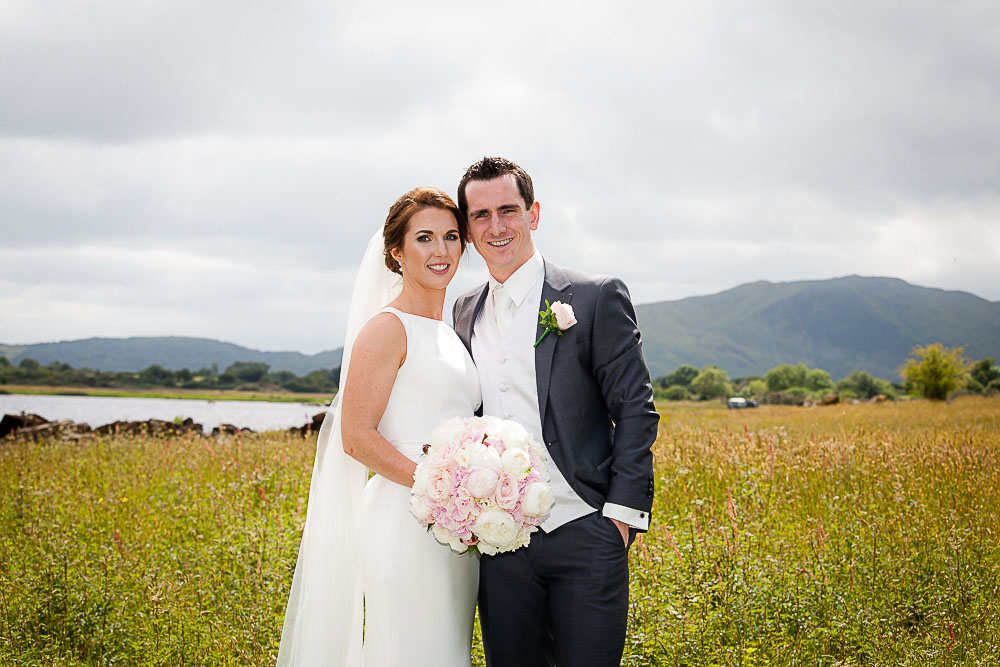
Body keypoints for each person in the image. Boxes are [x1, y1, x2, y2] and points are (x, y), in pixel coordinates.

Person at [452, 157, 659, 667]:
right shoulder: (462, 310)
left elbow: (635, 407)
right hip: (500, 543)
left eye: (508, 210)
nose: (495, 227)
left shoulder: (591, 297)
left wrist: (620, 517)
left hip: (586, 528)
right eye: (481, 215)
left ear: (534, 213)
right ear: (468, 227)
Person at [277, 187, 481, 666]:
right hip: (406, 519)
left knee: (446, 649)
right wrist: (439, 488)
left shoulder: (451, 330)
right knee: (411, 649)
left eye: (451, 237)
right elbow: (357, 437)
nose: (441, 251)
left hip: (458, 524)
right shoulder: (386, 328)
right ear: (396, 252)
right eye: (425, 238)